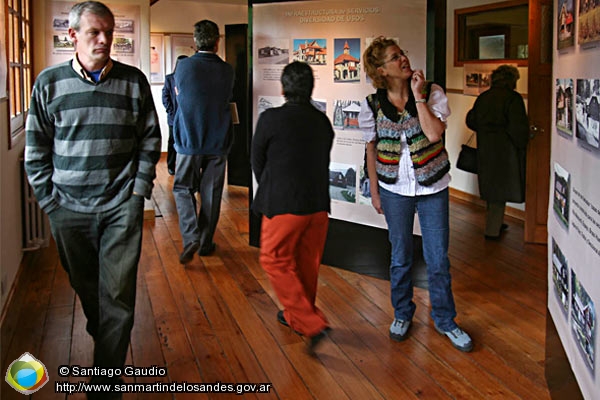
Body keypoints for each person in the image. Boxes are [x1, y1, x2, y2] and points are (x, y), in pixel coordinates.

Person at [24, 1, 161, 396]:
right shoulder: (48, 84)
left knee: (117, 297)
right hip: (68, 210)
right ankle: (108, 347)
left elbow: (151, 138)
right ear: (73, 37)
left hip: (121, 206)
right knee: (91, 294)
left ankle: (105, 385)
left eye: (109, 32)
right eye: (94, 33)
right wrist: (50, 202)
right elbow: (36, 150)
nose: (104, 40)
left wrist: (137, 193)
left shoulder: (133, 82)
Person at [359, 36, 472, 352]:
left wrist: (419, 98)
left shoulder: (432, 92)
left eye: (402, 53)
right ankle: (402, 314)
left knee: (438, 259)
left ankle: (446, 320)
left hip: (433, 187)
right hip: (394, 190)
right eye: (396, 57)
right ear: (382, 70)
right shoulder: (372, 105)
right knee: (400, 256)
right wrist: (376, 191)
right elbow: (371, 148)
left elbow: (435, 133)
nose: (403, 59)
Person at [251, 61, 334, 352]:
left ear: (283, 87)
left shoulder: (271, 119)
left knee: (274, 259)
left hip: (285, 205)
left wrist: (272, 186)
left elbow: (257, 159)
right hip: (318, 206)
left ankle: (311, 323)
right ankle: (298, 316)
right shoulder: (322, 121)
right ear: (310, 87)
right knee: (306, 263)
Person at [172, 20, 235, 264]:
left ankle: (190, 238)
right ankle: (205, 242)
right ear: (217, 41)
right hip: (218, 140)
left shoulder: (183, 67)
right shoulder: (227, 70)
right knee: (211, 194)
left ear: (195, 41)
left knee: (182, 188)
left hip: (189, 140)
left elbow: (181, 96)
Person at [466, 65, 529, 240]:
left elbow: (471, 121)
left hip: (486, 149)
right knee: (500, 191)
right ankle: (492, 231)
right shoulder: (513, 99)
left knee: (491, 189)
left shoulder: (484, 97)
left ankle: (495, 224)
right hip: (506, 152)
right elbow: (519, 129)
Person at [162, 55, 187, 175]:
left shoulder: (190, 78)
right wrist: (170, 111)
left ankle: (184, 167)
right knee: (172, 141)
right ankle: (171, 166)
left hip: (187, 117)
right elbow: (165, 97)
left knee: (186, 141)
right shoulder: (170, 78)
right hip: (173, 117)